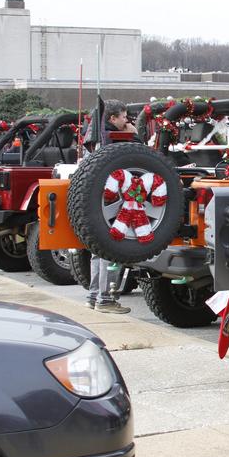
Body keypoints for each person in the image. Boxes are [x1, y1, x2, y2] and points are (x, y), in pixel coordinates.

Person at [86, 100, 136, 314]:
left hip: (93, 203)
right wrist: (135, 134)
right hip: (112, 203)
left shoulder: (92, 139)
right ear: (112, 118)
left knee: (97, 252)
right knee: (109, 251)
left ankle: (93, 295)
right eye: (124, 117)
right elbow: (138, 157)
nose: (127, 121)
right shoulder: (114, 139)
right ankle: (105, 299)